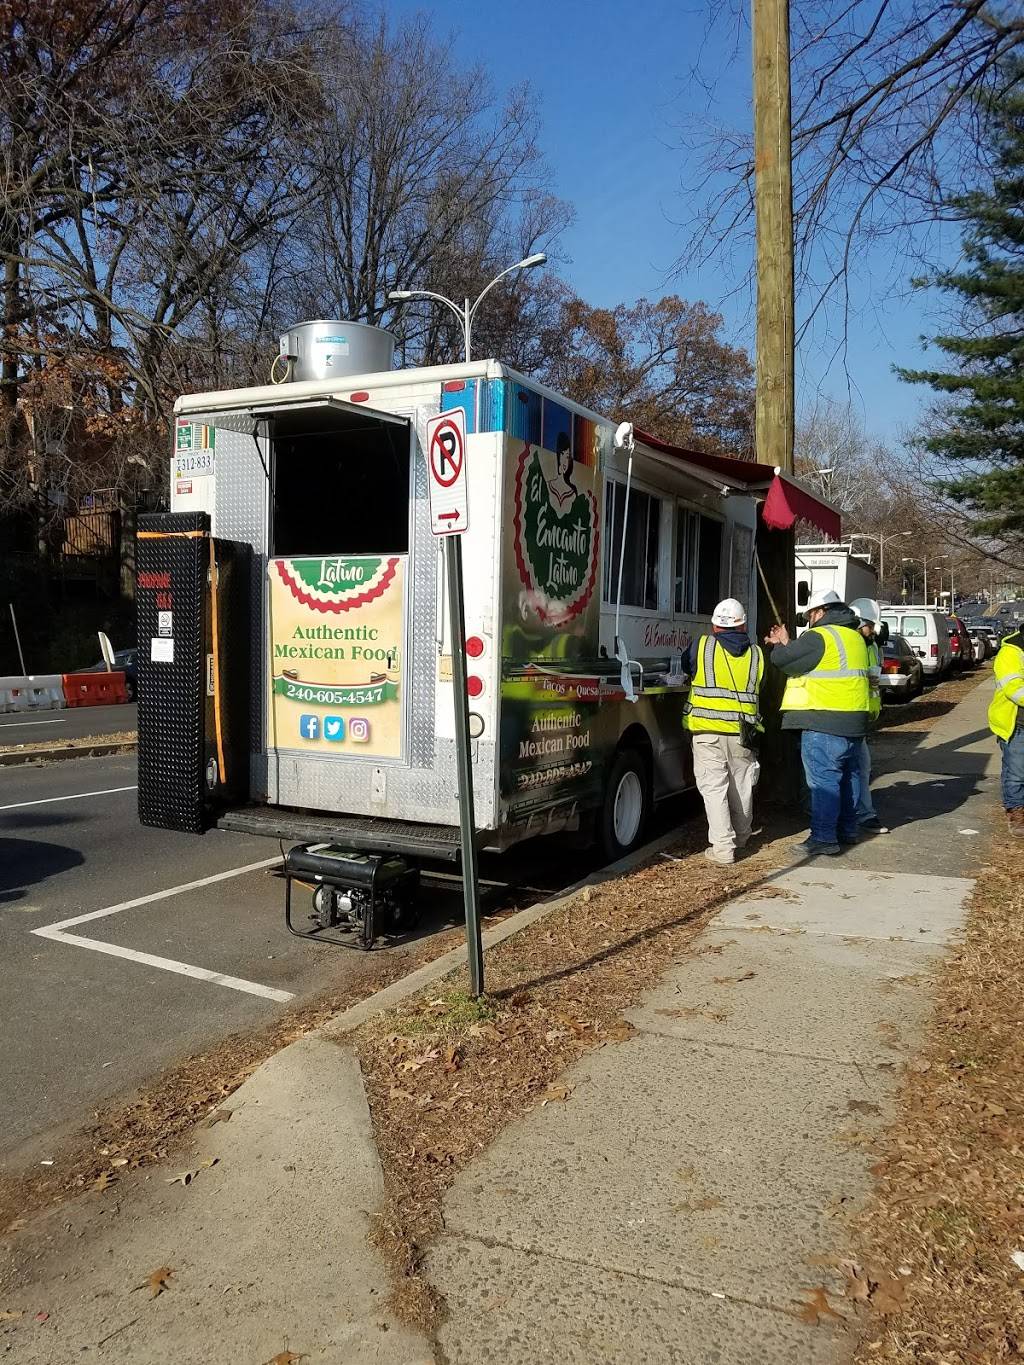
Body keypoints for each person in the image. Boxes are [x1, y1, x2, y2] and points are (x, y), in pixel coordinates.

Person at [765, 588, 871, 857]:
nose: (810, 620)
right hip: (853, 722)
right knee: (848, 780)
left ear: (821, 611)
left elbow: (785, 661)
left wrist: (779, 643)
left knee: (823, 783)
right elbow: (815, 663)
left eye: (811, 614)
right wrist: (791, 642)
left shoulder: (820, 636)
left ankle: (823, 838)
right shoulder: (855, 637)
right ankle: (847, 831)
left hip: (823, 721)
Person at [683, 598, 764, 865]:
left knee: (714, 788)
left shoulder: (701, 646)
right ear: (743, 625)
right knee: (742, 785)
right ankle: (742, 836)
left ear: (714, 625)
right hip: (743, 733)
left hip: (707, 732)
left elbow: (687, 666)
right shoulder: (757, 654)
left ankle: (723, 849)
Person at [849, 598, 888, 834]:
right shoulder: (853, 645)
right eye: (870, 625)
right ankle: (861, 814)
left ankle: (863, 813)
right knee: (856, 768)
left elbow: (873, 682)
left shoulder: (871, 646)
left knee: (861, 768)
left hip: (864, 715)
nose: (873, 630)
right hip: (850, 713)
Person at [989, 625, 1024, 836]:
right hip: (1015, 723)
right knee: (1017, 773)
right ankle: (1016, 812)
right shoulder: (1011, 651)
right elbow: (1014, 689)